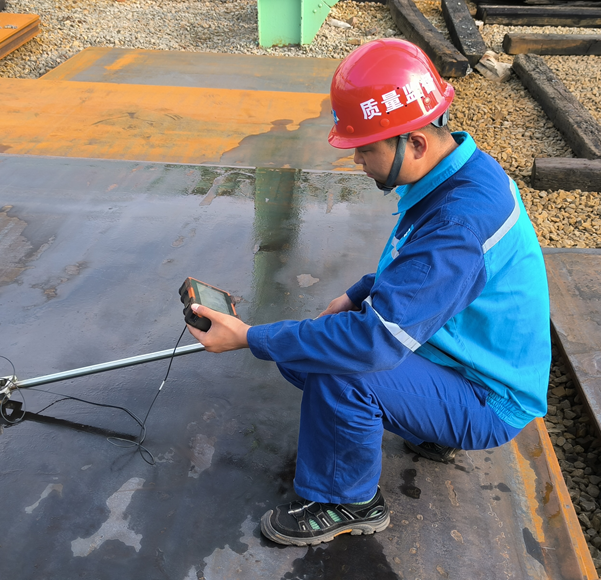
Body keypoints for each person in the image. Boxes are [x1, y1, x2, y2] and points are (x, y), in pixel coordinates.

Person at [186, 38, 551, 547]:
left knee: (338, 364)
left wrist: (249, 336)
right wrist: (360, 293)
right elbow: (426, 273)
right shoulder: (461, 173)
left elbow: (373, 342)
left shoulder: (458, 221)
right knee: (310, 347)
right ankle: (429, 426)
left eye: (364, 147)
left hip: (490, 397)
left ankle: (348, 501)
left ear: (416, 143)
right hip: (464, 357)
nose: (356, 159)